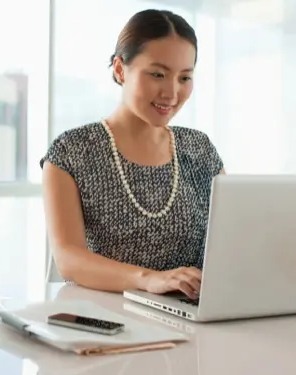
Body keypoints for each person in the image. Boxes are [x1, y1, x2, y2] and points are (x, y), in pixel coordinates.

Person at [40, 9, 225, 299]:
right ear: (119, 69)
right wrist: (149, 279)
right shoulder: (71, 152)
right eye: (157, 74)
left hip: (195, 318)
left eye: (184, 78)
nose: (172, 93)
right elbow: (68, 260)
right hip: (110, 321)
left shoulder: (200, 149)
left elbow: (233, 241)